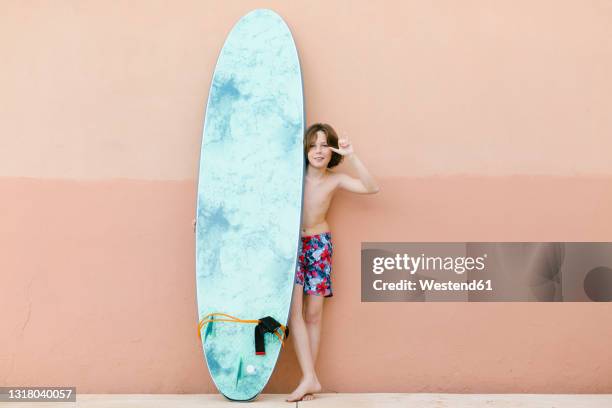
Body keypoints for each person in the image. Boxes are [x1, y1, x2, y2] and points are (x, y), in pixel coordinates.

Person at [286, 123, 379, 402]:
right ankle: (310, 378)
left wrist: (351, 156)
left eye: (324, 145)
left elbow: (371, 187)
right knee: (295, 314)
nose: (318, 151)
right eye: (313, 145)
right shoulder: (292, 176)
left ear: (332, 150)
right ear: (304, 150)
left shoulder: (334, 180)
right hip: (292, 246)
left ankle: (309, 378)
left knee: (314, 314)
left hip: (318, 245)